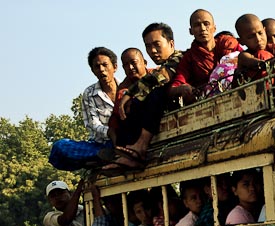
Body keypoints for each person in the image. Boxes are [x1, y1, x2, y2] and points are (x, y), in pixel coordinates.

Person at [103, 23, 183, 174]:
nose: (152, 51)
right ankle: (127, 153)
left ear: (171, 43)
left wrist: (129, 93)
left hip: (180, 104)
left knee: (155, 94)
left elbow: (162, 78)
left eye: (156, 44)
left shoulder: (179, 58)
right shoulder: (163, 66)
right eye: (148, 46)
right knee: (135, 104)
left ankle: (140, 147)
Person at [49, 47, 119, 171]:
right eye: (97, 67)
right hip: (100, 145)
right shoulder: (89, 93)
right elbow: (92, 124)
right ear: (93, 71)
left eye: (105, 65)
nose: (102, 70)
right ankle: (101, 156)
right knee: (59, 147)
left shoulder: (127, 88)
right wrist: (109, 132)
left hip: (125, 140)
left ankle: (97, 160)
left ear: (115, 67)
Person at [169, 9, 241, 105]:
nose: (202, 28)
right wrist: (182, 88)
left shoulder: (227, 43)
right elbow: (174, 86)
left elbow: (245, 57)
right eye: (197, 25)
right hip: (208, 102)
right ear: (191, 31)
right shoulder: (189, 57)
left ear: (214, 28)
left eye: (206, 24)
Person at [234, 14, 275, 83]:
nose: (258, 39)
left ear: (265, 31)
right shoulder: (244, 55)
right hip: (250, 91)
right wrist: (265, 63)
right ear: (241, 41)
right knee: (262, 55)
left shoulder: (272, 47)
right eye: (251, 37)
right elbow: (252, 61)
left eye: (260, 33)